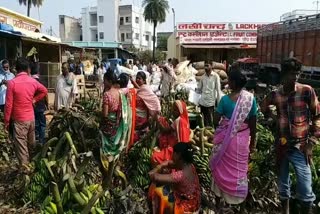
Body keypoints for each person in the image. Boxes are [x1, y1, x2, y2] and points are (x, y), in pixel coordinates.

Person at [261, 58, 319, 214]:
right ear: (284, 75)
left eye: (297, 74)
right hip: (282, 145)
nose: (295, 78)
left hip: (300, 147)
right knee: (283, 184)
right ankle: (284, 211)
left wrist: (311, 143)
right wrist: (272, 117)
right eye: (292, 74)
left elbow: (317, 117)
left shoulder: (306, 91)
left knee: (306, 189)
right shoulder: (275, 94)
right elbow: (263, 106)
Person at [209, 66, 257, 207]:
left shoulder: (224, 100)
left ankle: (218, 202)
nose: (227, 82)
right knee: (238, 170)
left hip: (225, 143)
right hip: (242, 142)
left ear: (234, 83)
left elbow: (215, 120)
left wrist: (225, 124)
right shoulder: (250, 99)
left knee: (219, 168)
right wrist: (252, 144)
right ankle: (237, 201)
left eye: (229, 80)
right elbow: (253, 124)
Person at [4, 57, 48, 171]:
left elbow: (8, 105)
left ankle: (25, 173)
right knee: (31, 145)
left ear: (16, 69)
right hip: (31, 119)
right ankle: (33, 167)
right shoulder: (33, 81)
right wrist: (34, 100)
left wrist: (6, 122)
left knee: (22, 148)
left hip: (19, 120)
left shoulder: (12, 83)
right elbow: (44, 91)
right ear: (28, 69)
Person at [148, 143, 201, 214]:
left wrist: (156, 168)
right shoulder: (189, 166)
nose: (172, 155)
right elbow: (170, 163)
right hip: (194, 202)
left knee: (158, 192)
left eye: (173, 153)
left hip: (187, 208)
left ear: (178, 155)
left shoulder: (179, 175)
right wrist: (162, 165)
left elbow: (154, 177)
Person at [100, 69, 130, 158]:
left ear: (109, 81)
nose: (103, 82)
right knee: (114, 144)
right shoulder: (120, 92)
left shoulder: (107, 94)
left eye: (104, 80)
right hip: (116, 124)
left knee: (106, 145)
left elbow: (105, 114)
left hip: (109, 125)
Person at [152, 100, 191, 165]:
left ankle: (165, 167)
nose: (173, 112)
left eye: (175, 110)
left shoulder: (178, 121)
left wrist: (157, 120)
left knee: (154, 157)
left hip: (176, 149)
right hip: (183, 148)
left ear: (180, 111)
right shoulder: (185, 120)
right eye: (173, 110)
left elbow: (165, 130)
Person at [131, 71, 161, 142]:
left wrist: (157, 110)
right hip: (135, 117)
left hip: (142, 117)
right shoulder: (138, 89)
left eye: (139, 78)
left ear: (144, 80)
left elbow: (155, 100)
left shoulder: (145, 89)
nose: (137, 80)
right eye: (136, 78)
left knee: (142, 136)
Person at [30, 63, 48, 145]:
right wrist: (47, 105)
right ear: (38, 72)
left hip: (32, 107)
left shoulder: (29, 82)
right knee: (42, 124)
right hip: (41, 106)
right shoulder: (42, 81)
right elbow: (46, 94)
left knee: (35, 123)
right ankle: (42, 140)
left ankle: (35, 140)